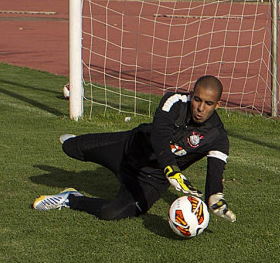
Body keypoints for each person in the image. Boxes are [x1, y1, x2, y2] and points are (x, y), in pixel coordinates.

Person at [34, 75, 236, 224]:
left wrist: (215, 198)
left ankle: (71, 198)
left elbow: (215, 175)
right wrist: (172, 169)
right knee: (70, 148)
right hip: (128, 149)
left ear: (217, 105)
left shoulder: (218, 138)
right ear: (191, 94)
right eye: (197, 99)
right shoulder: (174, 101)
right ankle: (81, 144)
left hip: (151, 180)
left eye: (208, 103)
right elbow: (159, 135)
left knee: (111, 213)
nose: (200, 108)